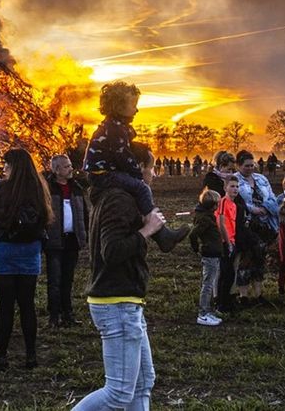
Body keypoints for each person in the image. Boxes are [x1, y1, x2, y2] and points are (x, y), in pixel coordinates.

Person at [73, 148, 166, 411]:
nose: (154, 175)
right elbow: (112, 251)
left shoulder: (116, 197)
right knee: (118, 393)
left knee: (142, 383)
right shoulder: (118, 199)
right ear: (137, 167)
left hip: (125, 300)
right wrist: (148, 230)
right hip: (116, 303)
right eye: (152, 168)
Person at [83, 81, 188, 251]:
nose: (136, 109)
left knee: (138, 189)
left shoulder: (114, 128)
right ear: (118, 106)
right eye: (133, 105)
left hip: (101, 174)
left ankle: (161, 234)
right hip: (103, 174)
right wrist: (138, 176)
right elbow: (123, 157)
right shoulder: (115, 129)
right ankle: (162, 234)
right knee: (141, 189)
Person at [0, 148, 52, 369]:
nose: (4, 169)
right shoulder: (39, 188)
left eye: (6, 165)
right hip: (30, 250)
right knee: (27, 305)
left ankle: (2, 355)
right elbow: (46, 217)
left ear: (12, 166)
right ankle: (31, 355)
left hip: (4, 250)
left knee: (6, 306)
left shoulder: (2, 187)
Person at [44, 154, 88, 327]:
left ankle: (67, 314)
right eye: (66, 166)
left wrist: (84, 235)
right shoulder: (48, 189)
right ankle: (54, 316)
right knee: (54, 280)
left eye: (70, 165)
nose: (71, 169)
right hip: (54, 241)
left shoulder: (75, 188)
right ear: (56, 170)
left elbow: (84, 213)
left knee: (68, 279)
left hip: (72, 241)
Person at [234, 150, 278, 304]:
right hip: (248, 225)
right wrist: (253, 209)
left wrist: (265, 208)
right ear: (238, 165)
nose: (250, 168)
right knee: (247, 260)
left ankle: (258, 295)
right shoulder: (235, 180)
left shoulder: (262, 179)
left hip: (265, 224)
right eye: (246, 166)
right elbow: (238, 202)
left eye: (252, 165)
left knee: (260, 259)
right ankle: (243, 296)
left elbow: (272, 197)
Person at [189, 189, 223, 326]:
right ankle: (203, 314)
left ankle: (208, 311)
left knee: (209, 282)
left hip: (213, 253)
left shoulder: (206, 216)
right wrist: (196, 248)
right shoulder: (205, 219)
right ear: (213, 205)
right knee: (208, 284)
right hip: (210, 254)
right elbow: (193, 234)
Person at [215, 176, 247, 313]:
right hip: (224, 242)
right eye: (232, 186)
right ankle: (221, 304)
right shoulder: (223, 201)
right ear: (225, 188)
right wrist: (228, 243)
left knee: (230, 274)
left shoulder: (234, 205)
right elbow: (221, 223)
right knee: (225, 273)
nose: (235, 189)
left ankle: (227, 302)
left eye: (237, 186)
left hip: (232, 241)